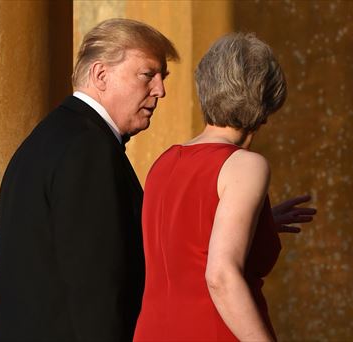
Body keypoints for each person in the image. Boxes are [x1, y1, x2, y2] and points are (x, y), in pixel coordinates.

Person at [0, 18, 179, 341]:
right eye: (148, 75)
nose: (160, 90)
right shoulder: (88, 152)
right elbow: (97, 288)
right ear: (101, 75)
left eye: (162, 77)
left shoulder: (50, 138)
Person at [134, 33, 316, 341]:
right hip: (212, 331)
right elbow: (220, 275)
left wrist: (261, 223)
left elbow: (186, 245)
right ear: (268, 97)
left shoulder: (165, 162)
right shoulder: (246, 166)